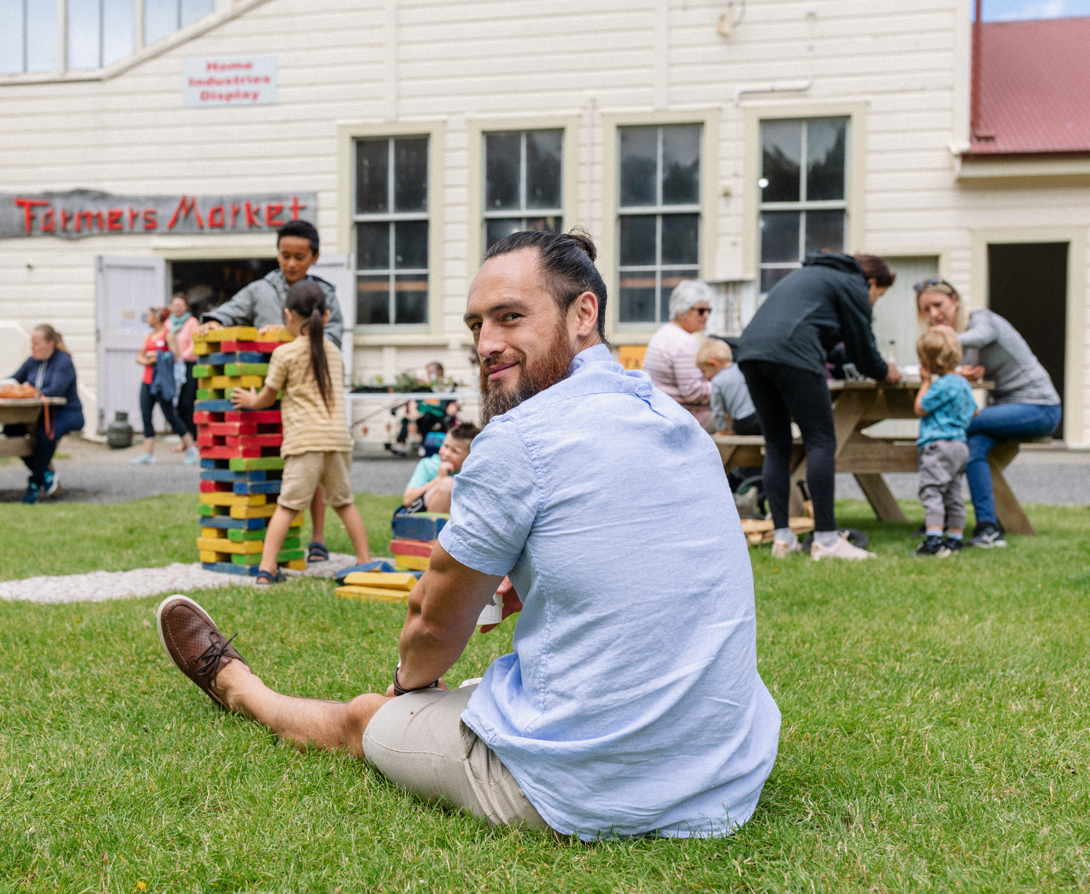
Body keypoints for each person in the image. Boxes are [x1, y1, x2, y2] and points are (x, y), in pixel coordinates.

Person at [156, 228, 779, 839]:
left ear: (583, 312)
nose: (487, 344)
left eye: (510, 317)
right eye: (477, 325)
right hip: (726, 768)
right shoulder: (676, 420)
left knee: (371, 716)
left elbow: (431, 624)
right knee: (489, 685)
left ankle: (238, 686)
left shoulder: (520, 436)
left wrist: (409, 687)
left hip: (587, 787)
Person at [736, 252, 902, 561]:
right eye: (878, 295)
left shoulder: (811, 277)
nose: (874, 302)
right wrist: (884, 371)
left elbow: (830, 343)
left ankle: (782, 538)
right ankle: (826, 540)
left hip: (750, 352)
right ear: (872, 282)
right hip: (792, 353)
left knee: (776, 443)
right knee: (821, 439)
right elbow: (861, 349)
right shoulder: (852, 284)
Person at [200, 220, 346, 558]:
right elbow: (231, 311)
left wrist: (287, 333)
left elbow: (334, 336)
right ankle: (270, 536)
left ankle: (318, 538)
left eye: (299, 256)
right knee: (279, 467)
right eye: (285, 255)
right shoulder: (260, 289)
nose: (291, 263)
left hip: (307, 397)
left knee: (313, 465)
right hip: (267, 392)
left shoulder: (324, 293)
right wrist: (215, 321)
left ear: (314, 257)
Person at [230, 279, 372, 586]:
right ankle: (366, 562)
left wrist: (249, 400)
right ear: (326, 317)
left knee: (287, 505)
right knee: (344, 502)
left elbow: (267, 397)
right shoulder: (333, 352)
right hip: (336, 441)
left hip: (304, 442)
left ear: (288, 315)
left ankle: (266, 570)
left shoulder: (285, 354)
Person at [914, 277, 1061, 549]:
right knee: (972, 445)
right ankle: (987, 528)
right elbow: (951, 369)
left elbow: (979, 338)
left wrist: (938, 343)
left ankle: (937, 509)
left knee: (952, 431)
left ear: (955, 300)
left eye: (938, 305)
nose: (933, 314)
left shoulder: (984, 321)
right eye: (926, 310)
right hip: (1006, 409)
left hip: (1039, 408)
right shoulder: (959, 345)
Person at [0, 324, 85, 505]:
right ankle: (46, 473)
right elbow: (15, 379)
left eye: (36, 343)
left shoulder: (63, 361)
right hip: (37, 412)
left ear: (50, 344)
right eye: (31, 343)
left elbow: (56, 390)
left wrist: (30, 392)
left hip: (65, 411)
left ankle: (34, 482)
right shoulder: (33, 361)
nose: (33, 347)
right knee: (11, 429)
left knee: (45, 435)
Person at [911, 328, 978, 557]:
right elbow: (975, 411)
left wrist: (925, 382)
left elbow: (920, 407)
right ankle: (954, 540)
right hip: (960, 445)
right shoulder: (962, 384)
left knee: (932, 492)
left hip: (938, 446)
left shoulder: (941, 385)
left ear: (928, 362)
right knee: (952, 494)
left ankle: (933, 541)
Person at [642, 280, 714, 426]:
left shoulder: (664, 332)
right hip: (685, 419)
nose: (706, 315)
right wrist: (722, 387)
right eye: (701, 311)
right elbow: (693, 392)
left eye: (708, 310)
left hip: (662, 413)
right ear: (681, 312)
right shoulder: (685, 342)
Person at [131, 306, 194, 466]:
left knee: (170, 416)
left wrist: (159, 356)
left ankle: (191, 448)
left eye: (149, 316)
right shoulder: (149, 336)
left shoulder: (168, 335)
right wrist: (146, 361)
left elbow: (176, 356)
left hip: (162, 383)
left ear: (157, 318)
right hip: (147, 380)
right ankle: (148, 454)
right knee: (146, 416)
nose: (147, 319)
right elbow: (139, 356)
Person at [402, 422, 480, 514]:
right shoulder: (428, 465)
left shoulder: (471, 473)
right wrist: (439, 479)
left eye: (455, 451)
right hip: (417, 517)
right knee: (447, 484)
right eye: (446, 446)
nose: (446, 453)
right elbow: (407, 500)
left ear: (469, 456)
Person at [695, 338, 759, 436]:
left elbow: (718, 410)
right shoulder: (741, 369)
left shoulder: (717, 381)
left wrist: (721, 429)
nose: (704, 376)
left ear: (713, 364)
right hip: (758, 418)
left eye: (703, 371)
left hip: (743, 424)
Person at [167, 292, 200, 461]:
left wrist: (180, 357)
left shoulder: (192, 322)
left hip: (188, 366)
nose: (177, 308)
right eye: (175, 305)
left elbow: (195, 345)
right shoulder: (169, 323)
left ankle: (194, 440)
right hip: (174, 367)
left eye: (180, 305)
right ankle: (185, 440)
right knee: (176, 405)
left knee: (187, 403)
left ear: (186, 307)